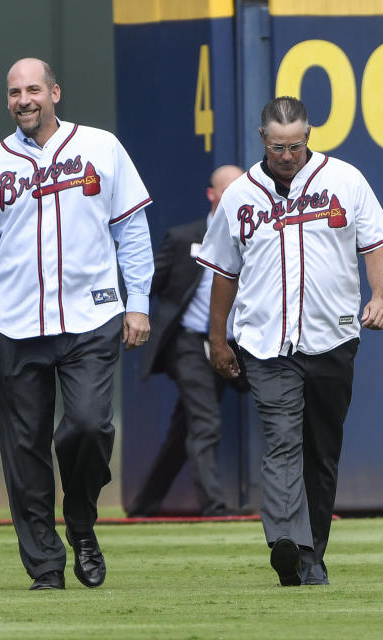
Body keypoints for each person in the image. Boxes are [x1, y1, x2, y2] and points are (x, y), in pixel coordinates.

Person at [0, 58, 154, 590]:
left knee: (88, 425)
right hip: (18, 325)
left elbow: (132, 229)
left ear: (55, 92)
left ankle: (81, 519)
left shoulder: (101, 147)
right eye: (15, 92)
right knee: (24, 450)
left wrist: (140, 303)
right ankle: (45, 566)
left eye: (34, 89)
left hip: (93, 315)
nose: (24, 100)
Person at [196, 96, 383, 586]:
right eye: (278, 145)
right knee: (282, 440)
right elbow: (224, 273)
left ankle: (313, 552)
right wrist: (217, 339)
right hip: (266, 343)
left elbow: (375, 247)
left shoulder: (344, 180)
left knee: (321, 450)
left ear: (309, 137)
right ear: (262, 138)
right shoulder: (241, 194)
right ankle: (291, 544)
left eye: (296, 145)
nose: (287, 154)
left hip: (333, 337)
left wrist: (381, 297)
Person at [128, 165, 246, 519]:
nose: (235, 200)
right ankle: (214, 508)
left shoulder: (259, 235)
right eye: (227, 191)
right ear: (212, 195)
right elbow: (147, 284)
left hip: (234, 345)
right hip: (190, 343)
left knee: (186, 430)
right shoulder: (184, 239)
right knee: (206, 422)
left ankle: (144, 506)